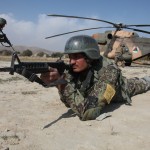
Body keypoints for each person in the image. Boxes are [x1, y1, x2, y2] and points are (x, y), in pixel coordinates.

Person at [40, 35, 150, 121]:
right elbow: (69, 103)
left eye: (77, 57)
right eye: (70, 57)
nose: (71, 62)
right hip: (96, 90)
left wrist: (63, 85)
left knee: (143, 83)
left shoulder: (109, 71)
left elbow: (88, 112)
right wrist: (59, 83)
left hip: (121, 89)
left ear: (90, 56)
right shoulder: (75, 69)